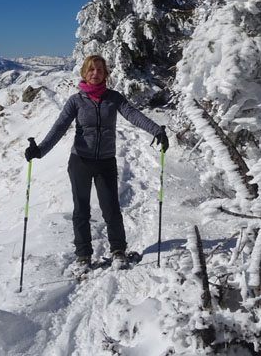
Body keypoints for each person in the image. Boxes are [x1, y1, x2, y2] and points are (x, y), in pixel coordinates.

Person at [24, 54, 168, 268]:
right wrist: (40, 150)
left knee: (111, 208)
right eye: (91, 69)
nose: (95, 73)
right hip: (80, 161)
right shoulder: (76, 101)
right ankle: (83, 255)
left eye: (100, 70)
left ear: (105, 74)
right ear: (84, 72)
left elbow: (133, 115)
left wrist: (156, 131)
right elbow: (59, 127)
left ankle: (118, 251)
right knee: (81, 210)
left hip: (106, 162)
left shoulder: (114, 98)